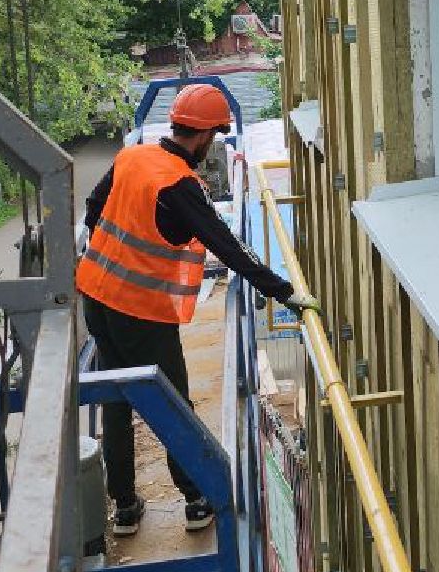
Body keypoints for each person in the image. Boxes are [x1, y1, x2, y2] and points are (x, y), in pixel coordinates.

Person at [74, 83, 318, 536]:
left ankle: (125, 506)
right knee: (173, 403)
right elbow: (228, 247)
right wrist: (281, 289)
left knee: (115, 396)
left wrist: (115, 255)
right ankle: (195, 497)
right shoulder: (180, 184)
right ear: (205, 136)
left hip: (94, 295)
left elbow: (93, 209)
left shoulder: (133, 157)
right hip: (141, 311)